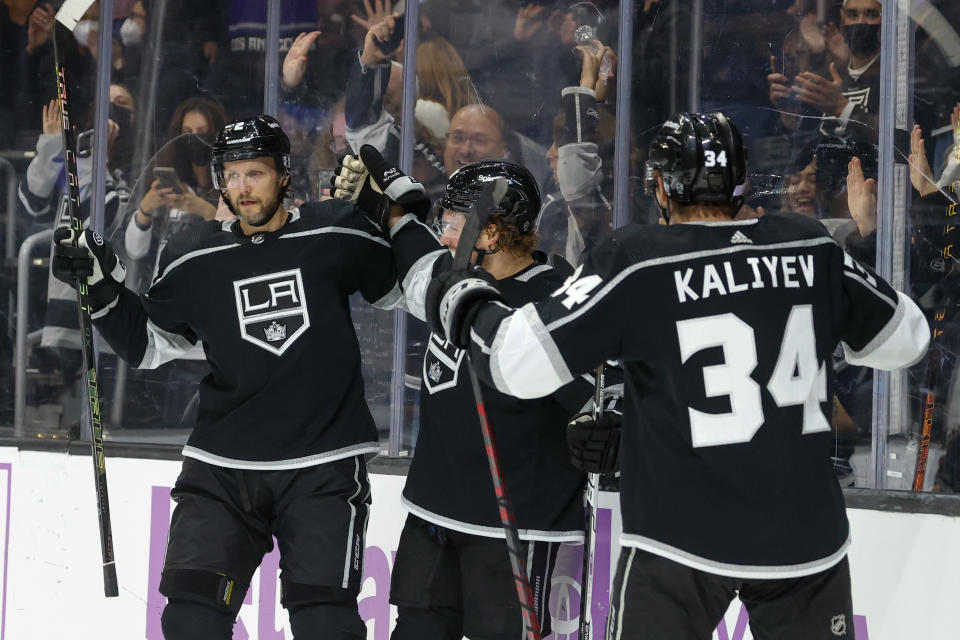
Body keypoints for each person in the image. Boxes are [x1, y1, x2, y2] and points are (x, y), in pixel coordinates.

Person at [421, 112, 930, 639]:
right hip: (803, 537)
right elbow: (908, 340)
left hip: (677, 538)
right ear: (743, 181)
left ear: (660, 186)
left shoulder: (637, 260)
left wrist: (465, 301)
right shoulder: (810, 246)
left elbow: (516, 366)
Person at [51, 115, 403, 640]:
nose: (241, 189)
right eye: (231, 175)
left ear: (284, 174)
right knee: (190, 619)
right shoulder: (194, 253)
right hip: (223, 468)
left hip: (323, 464)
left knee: (326, 622)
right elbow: (147, 344)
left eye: (254, 174)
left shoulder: (333, 230)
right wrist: (100, 289)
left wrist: (391, 213)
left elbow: (403, 289)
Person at [333, 148, 618, 639]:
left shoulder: (558, 300)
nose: (443, 232)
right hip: (432, 518)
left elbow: (608, 395)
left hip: (521, 530)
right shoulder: (453, 280)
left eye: (452, 221)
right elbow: (419, 265)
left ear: (489, 233)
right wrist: (396, 215)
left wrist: (610, 421)